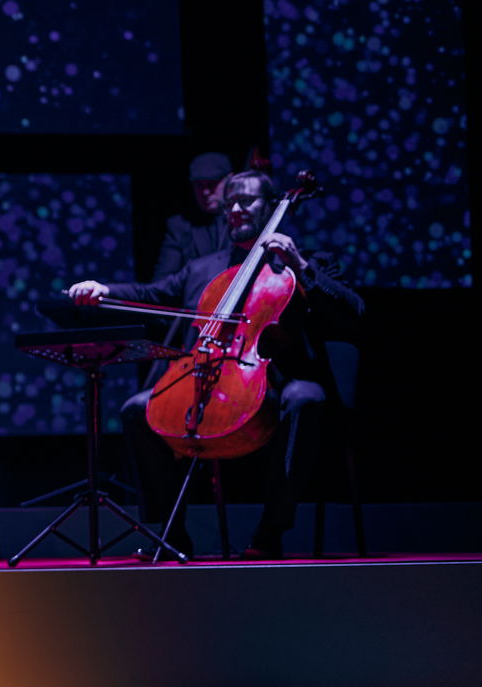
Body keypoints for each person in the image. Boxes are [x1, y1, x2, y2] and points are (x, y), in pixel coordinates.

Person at [66, 169, 362, 559]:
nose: (236, 209)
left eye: (247, 201)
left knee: (305, 398)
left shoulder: (305, 261)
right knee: (138, 409)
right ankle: (170, 534)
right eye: (230, 204)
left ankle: (270, 532)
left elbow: (352, 310)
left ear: (272, 206)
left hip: (277, 380)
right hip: (214, 378)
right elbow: (152, 294)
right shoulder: (205, 268)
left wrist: (300, 264)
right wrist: (104, 291)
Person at [153, 151, 234, 279]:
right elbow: (162, 280)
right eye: (199, 185)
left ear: (230, 180)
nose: (205, 192)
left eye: (212, 184)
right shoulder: (179, 226)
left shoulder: (243, 220)